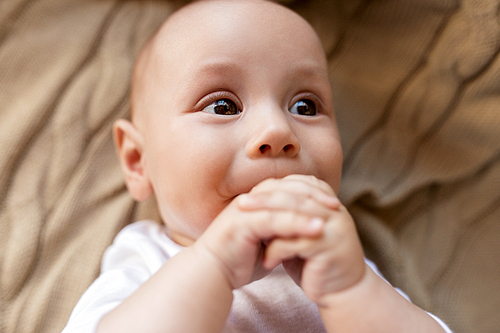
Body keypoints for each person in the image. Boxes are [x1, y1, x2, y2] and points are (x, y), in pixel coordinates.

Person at [62, 0, 452, 332]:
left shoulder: (343, 264)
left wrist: (352, 289)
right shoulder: (145, 263)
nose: (278, 130)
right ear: (137, 160)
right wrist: (212, 266)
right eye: (222, 106)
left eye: (305, 106)